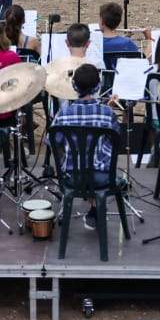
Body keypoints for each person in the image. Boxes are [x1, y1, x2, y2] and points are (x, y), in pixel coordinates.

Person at [49, 61, 120, 223]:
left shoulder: (63, 114)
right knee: (104, 146)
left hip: (72, 177)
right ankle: (96, 206)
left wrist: (66, 161)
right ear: (98, 87)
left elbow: (53, 142)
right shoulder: (107, 113)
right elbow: (116, 139)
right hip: (101, 177)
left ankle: (93, 208)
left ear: (74, 86)